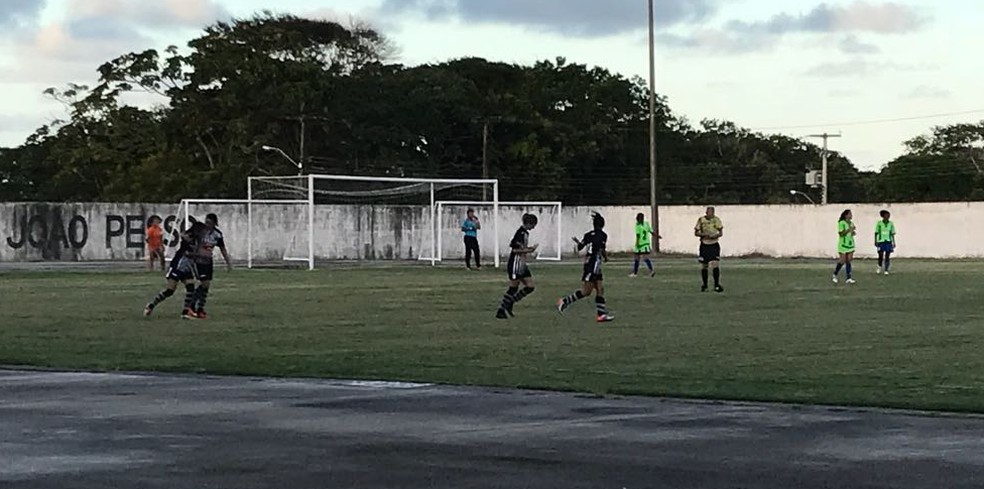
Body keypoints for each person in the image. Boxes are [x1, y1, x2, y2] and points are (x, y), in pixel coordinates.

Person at [557, 212, 615, 323]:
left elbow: (580, 247)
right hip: (593, 264)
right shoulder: (603, 235)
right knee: (586, 291)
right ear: (603, 225)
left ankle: (601, 314)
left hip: (590, 263)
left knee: (600, 289)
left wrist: (577, 241)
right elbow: (601, 249)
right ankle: (564, 301)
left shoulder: (588, 234)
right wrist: (606, 258)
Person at [144, 219, 206, 320]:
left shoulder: (199, 241)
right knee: (170, 290)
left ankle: (185, 312)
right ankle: (151, 305)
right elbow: (185, 242)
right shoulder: (189, 238)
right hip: (178, 265)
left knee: (190, 287)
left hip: (187, 267)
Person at [495, 213, 539, 319]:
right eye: (533, 224)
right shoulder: (520, 233)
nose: (534, 227)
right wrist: (529, 250)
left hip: (522, 264)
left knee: (530, 286)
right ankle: (501, 311)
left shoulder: (525, 233)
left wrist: (528, 248)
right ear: (528, 223)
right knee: (513, 287)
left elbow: (520, 246)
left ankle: (510, 302)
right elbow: (514, 249)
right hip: (515, 263)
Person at [190, 213, 233, 319]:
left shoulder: (217, 234)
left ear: (214, 223)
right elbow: (190, 241)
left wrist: (228, 262)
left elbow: (222, 249)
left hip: (208, 262)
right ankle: (191, 305)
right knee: (204, 284)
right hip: (199, 261)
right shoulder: (200, 232)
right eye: (206, 222)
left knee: (206, 286)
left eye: (209, 222)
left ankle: (200, 308)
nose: (207, 224)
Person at [694, 207, 724, 292]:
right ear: (706, 212)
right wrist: (704, 234)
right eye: (709, 212)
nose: (710, 214)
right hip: (704, 245)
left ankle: (716, 285)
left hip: (714, 244)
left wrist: (715, 235)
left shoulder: (716, 220)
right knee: (704, 265)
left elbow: (721, 232)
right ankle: (705, 285)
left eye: (712, 212)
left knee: (715, 264)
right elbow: (696, 232)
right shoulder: (701, 220)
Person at [630, 213, 660, 278]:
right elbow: (651, 232)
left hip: (640, 244)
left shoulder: (637, 225)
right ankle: (651, 271)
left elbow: (638, 236)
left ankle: (635, 273)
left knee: (636, 258)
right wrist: (657, 236)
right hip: (646, 244)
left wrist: (637, 244)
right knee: (646, 258)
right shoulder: (646, 224)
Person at [833, 209, 857, 284]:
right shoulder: (841, 223)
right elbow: (841, 233)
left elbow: (852, 233)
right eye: (850, 214)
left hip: (850, 244)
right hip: (843, 244)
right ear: (846, 215)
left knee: (849, 260)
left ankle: (848, 277)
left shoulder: (851, 223)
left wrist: (853, 232)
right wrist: (849, 230)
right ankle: (835, 274)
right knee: (842, 260)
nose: (851, 215)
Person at [875, 210, 896, 275]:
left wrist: (894, 242)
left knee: (887, 255)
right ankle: (879, 266)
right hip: (881, 241)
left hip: (888, 241)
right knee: (880, 255)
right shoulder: (879, 223)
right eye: (886, 215)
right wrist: (875, 241)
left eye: (888, 215)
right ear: (883, 216)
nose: (888, 216)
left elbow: (892, 233)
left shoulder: (891, 223)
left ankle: (886, 269)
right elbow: (876, 233)